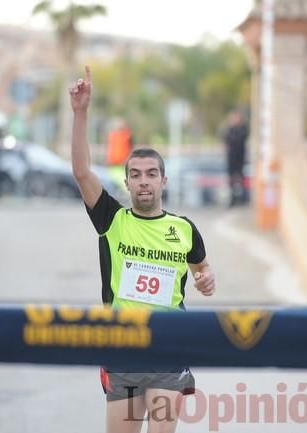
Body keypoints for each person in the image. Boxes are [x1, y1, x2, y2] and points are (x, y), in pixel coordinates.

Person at [69, 66, 216, 433]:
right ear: (128, 181)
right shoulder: (112, 220)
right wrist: (81, 113)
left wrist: (206, 278)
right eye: (136, 174)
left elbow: (202, 269)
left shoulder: (183, 229)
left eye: (151, 173)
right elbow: (83, 172)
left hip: (170, 345)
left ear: (163, 180)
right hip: (123, 345)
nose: (144, 181)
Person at [222, 110, 249, 207]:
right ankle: (233, 198)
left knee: (241, 178)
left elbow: (240, 139)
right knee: (231, 179)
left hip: (240, 158)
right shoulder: (230, 129)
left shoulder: (243, 129)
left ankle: (243, 198)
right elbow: (226, 138)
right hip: (231, 159)